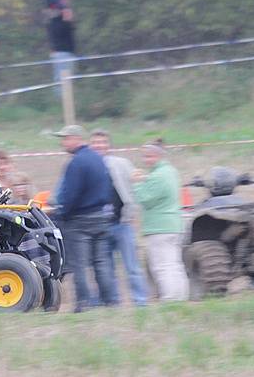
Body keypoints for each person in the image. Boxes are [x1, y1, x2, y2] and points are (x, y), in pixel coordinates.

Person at [52, 124, 119, 312]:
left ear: (75, 138)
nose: (62, 143)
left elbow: (70, 194)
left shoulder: (76, 163)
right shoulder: (98, 159)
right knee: (102, 262)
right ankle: (110, 301)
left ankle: (84, 304)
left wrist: (62, 213)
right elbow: (109, 188)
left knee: (80, 265)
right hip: (101, 217)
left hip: (80, 221)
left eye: (65, 139)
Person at [90, 129, 150, 306]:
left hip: (122, 224)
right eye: (95, 143)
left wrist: (132, 211)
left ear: (109, 145)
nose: (99, 146)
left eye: (102, 142)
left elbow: (138, 181)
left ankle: (140, 301)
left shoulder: (121, 163)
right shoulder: (88, 166)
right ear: (90, 145)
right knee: (106, 269)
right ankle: (112, 302)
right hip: (100, 225)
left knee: (132, 266)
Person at [132, 139, 189, 302]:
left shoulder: (157, 176)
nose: (145, 160)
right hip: (174, 225)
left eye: (148, 157)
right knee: (175, 264)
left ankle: (170, 297)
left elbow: (145, 199)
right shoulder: (170, 171)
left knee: (162, 266)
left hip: (159, 228)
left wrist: (136, 184)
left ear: (157, 156)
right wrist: (146, 180)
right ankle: (181, 295)